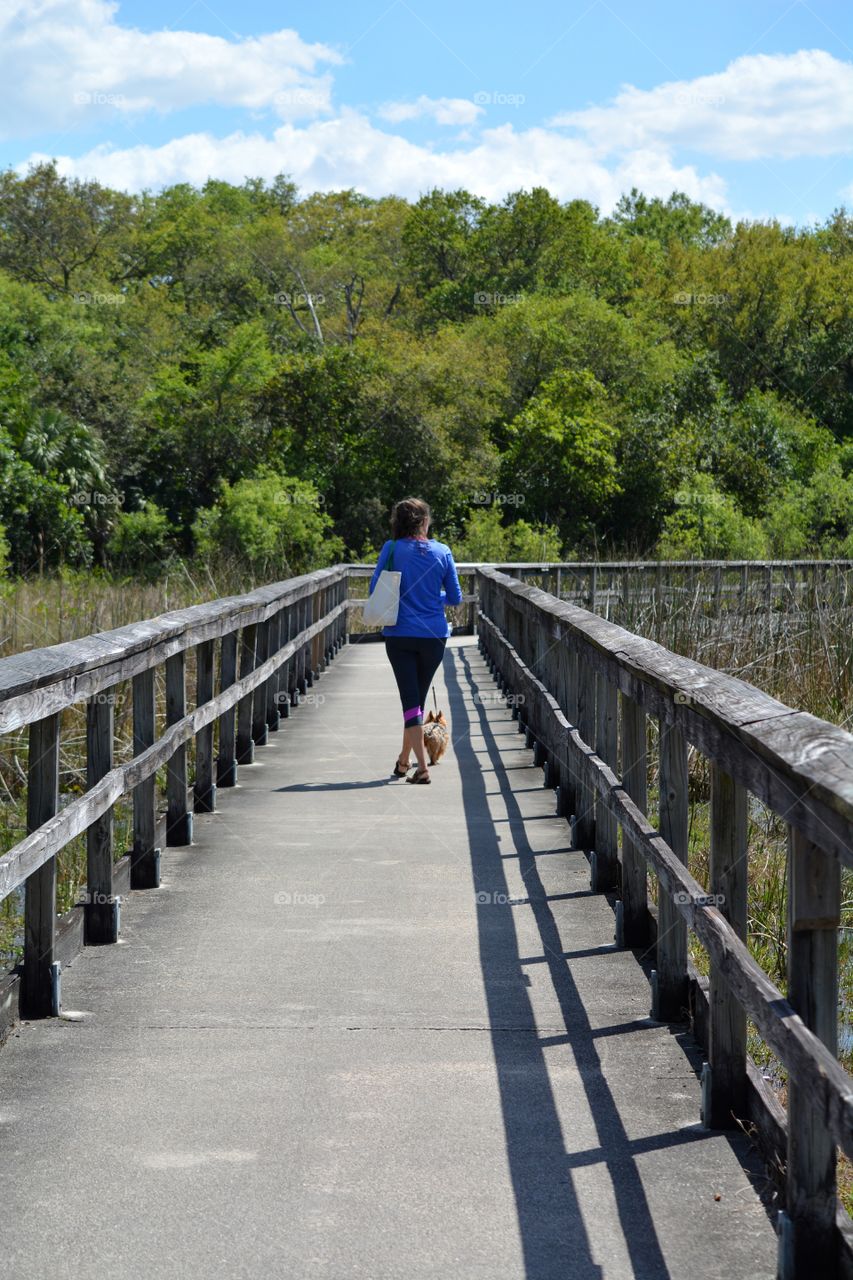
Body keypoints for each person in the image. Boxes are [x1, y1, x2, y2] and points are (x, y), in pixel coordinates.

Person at [369, 497, 462, 784]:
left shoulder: (392, 548)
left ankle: (421, 769)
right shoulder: (442, 551)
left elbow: (375, 588)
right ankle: (403, 761)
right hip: (434, 637)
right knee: (416, 703)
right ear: (423, 521)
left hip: (400, 634)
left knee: (411, 703)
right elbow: (455, 598)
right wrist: (434, 598)